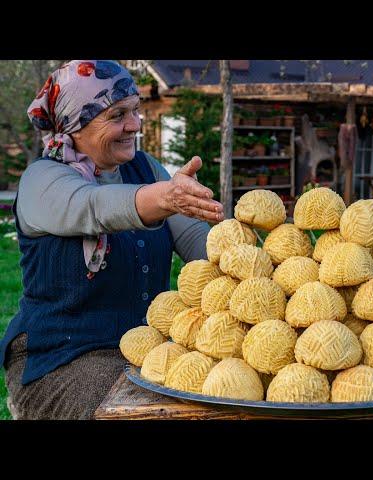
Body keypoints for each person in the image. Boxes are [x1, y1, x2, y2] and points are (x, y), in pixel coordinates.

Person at [0, 60, 225, 419]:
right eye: (118, 114)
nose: (135, 124)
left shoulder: (145, 168)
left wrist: (248, 257)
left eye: (135, 110)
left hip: (145, 349)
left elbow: (201, 242)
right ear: (76, 125)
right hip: (63, 359)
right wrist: (164, 198)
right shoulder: (42, 180)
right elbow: (95, 206)